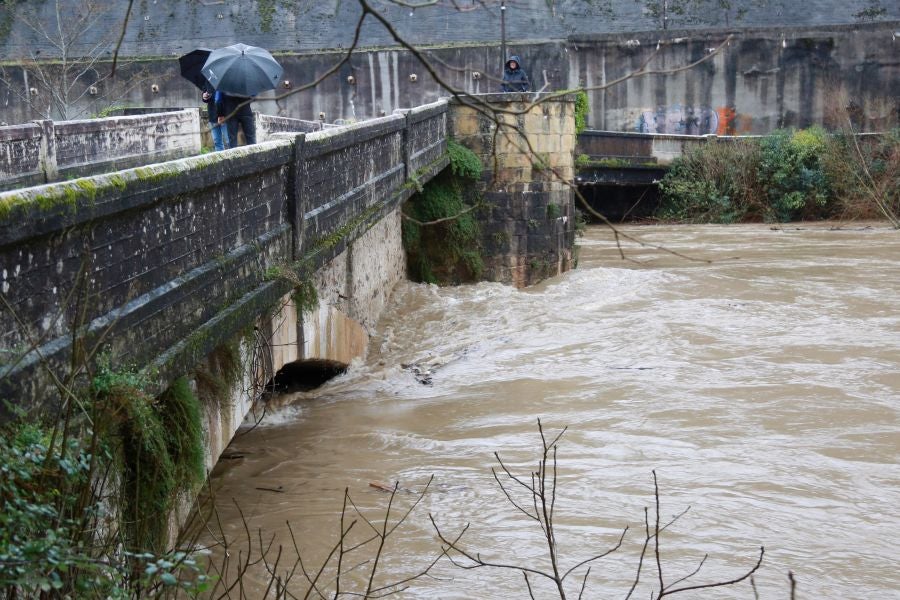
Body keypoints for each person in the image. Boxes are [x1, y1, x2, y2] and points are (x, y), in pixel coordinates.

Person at [201, 82, 229, 151]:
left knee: (229, 141)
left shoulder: (226, 80)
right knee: (217, 142)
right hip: (213, 115)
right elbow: (205, 94)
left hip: (225, 115)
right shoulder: (208, 79)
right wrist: (204, 96)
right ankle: (222, 160)